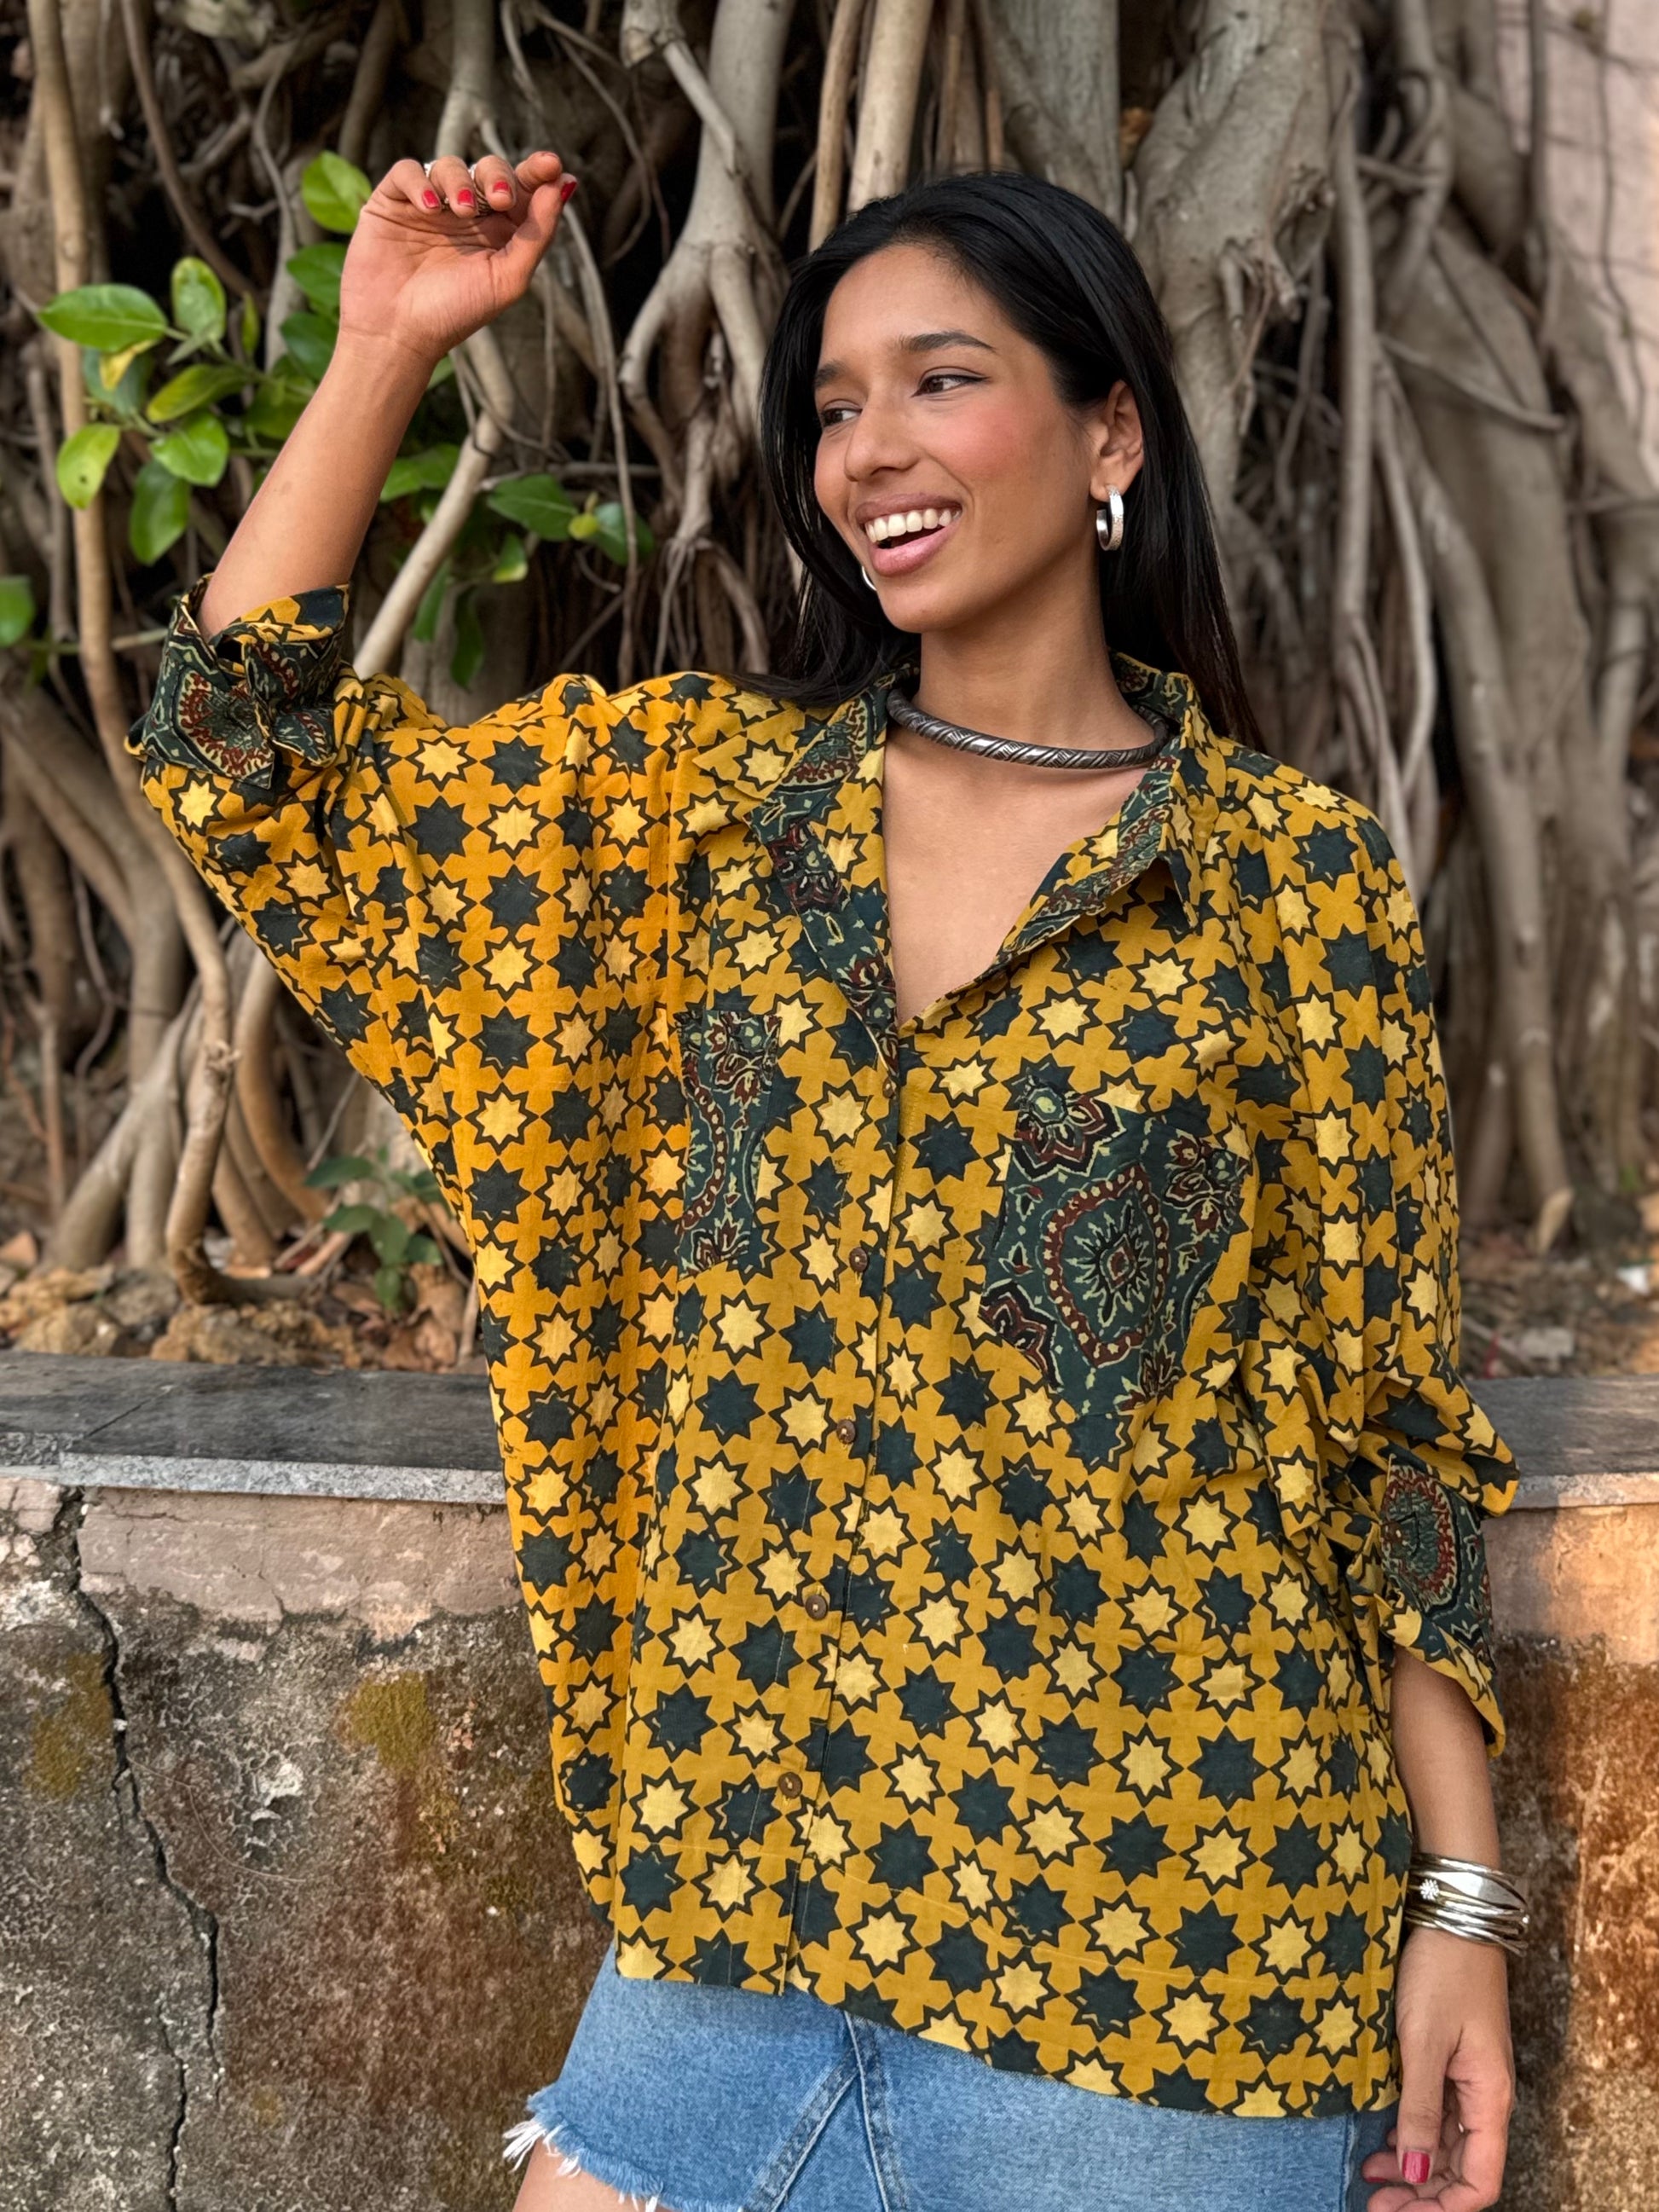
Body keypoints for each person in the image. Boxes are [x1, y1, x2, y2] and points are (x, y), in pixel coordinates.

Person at [130, 146, 1526, 2212]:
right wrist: (383, 346)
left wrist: (1462, 1909)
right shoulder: (693, 815)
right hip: (733, 1935)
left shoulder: (1287, 882)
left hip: (1163, 1974)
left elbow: (1385, 1424)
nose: (869, 447)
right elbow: (249, 764)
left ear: (1110, 432)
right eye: (833, 405)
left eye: (940, 379)